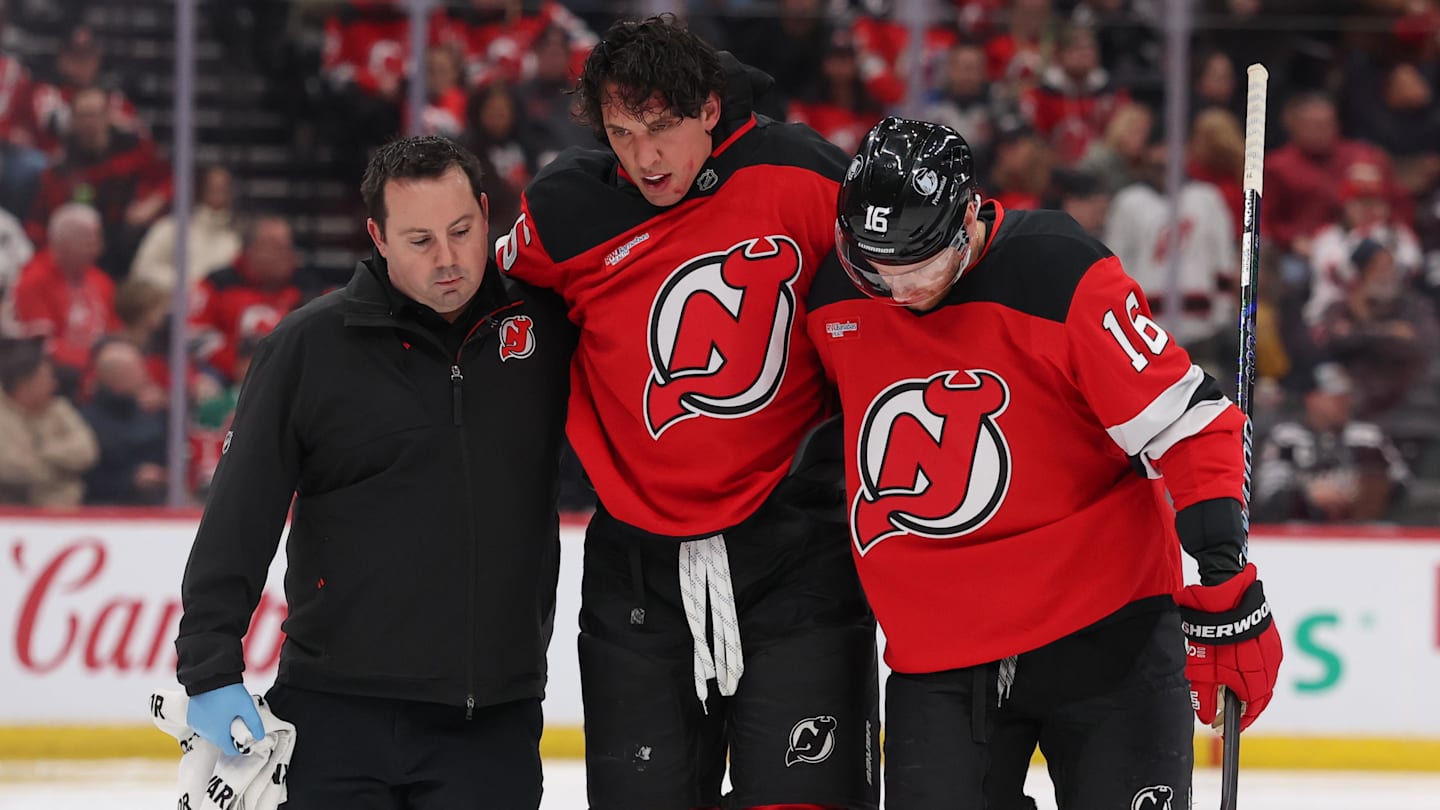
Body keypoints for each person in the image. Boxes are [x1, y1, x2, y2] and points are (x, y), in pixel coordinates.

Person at [817, 117, 1284, 809]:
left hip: (1106, 632)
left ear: (967, 221)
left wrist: (1224, 574)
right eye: (875, 269)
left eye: (918, 268)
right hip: (939, 648)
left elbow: (1190, 423)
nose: (897, 290)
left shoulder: (1058, 273)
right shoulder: (836, 296)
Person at [497, 15, 879, 810]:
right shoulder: (566, 211)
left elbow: (898, 309)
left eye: (661, 127)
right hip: (637, 570)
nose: (644, 157)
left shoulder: (805, 174)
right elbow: (472, 299)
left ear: (708, 108)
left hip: (797, 555)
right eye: (621, 133)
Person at [173, 135, 575, 809]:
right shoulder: (307, 348)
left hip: (490, 723)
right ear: (378, 238)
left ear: (486, 213)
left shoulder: (543, 332)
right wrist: (209, 666)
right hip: (334, 718)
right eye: (420, 240)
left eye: (462, 231)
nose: (447, 259)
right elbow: (240, 516)